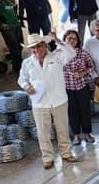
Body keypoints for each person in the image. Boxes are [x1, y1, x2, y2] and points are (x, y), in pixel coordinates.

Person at [18, 31, 79, 169]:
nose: (36, 50)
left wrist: (57, 40)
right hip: (39, 103)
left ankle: (66, 153)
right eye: (33, 47)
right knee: (43, 132)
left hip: (58, 100)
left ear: (45, 45)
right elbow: (22, 79)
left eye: (39, 46)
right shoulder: (27, 63)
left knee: (62, 128)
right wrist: (27, 87)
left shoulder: (57, 57)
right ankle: (47, 157)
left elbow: (71, 53)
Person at [62, 29, 97, 145]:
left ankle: (87, 134)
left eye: (74, 39)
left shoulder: (83, 53)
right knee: (72, 112)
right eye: (69, 38)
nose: (72, 41)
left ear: (78, 41)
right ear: (64, 40)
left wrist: (84, 72)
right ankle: (76, 135)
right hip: (67, 88)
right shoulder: (59, 53)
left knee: (85, 110)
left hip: (82, 86)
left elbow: (92, 66)